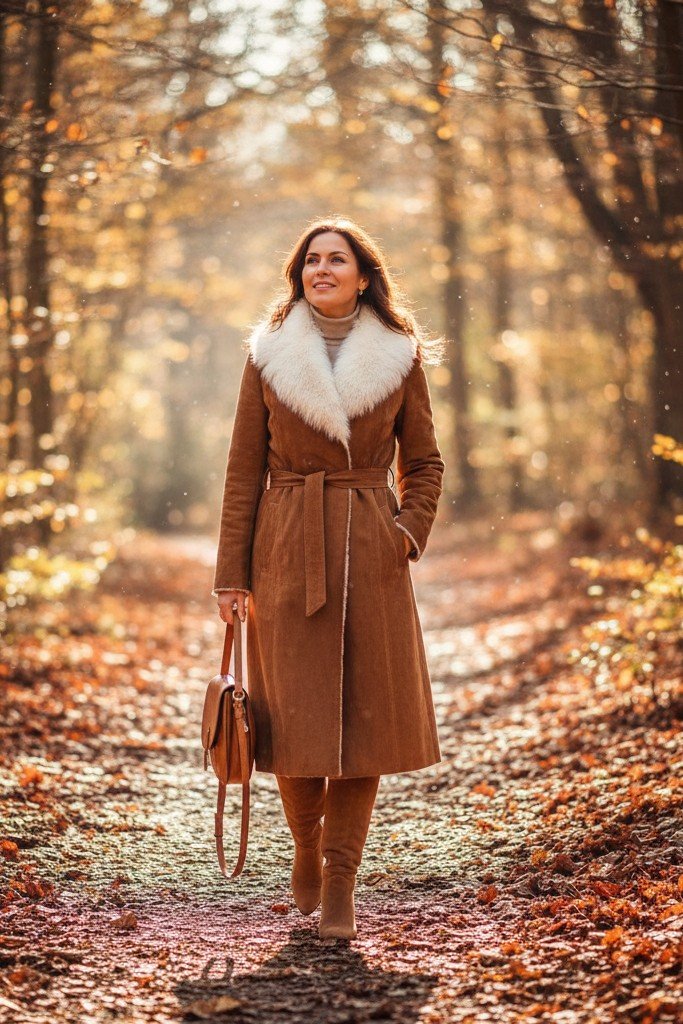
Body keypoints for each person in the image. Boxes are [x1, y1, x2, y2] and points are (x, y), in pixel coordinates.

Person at [212, 216, 445, 941]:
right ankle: (306, 847)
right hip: (286, 547)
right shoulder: (268, 355)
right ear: (299, 273)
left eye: (335, 259)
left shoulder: (399, 355)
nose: (321, 269)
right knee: (292, 716)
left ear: (362, 274)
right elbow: (243, 469)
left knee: (366, 720)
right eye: (311, 259)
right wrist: (231, 574)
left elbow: (426, 463)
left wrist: (404, 534)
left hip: (371, 553)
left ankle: (342, 878)